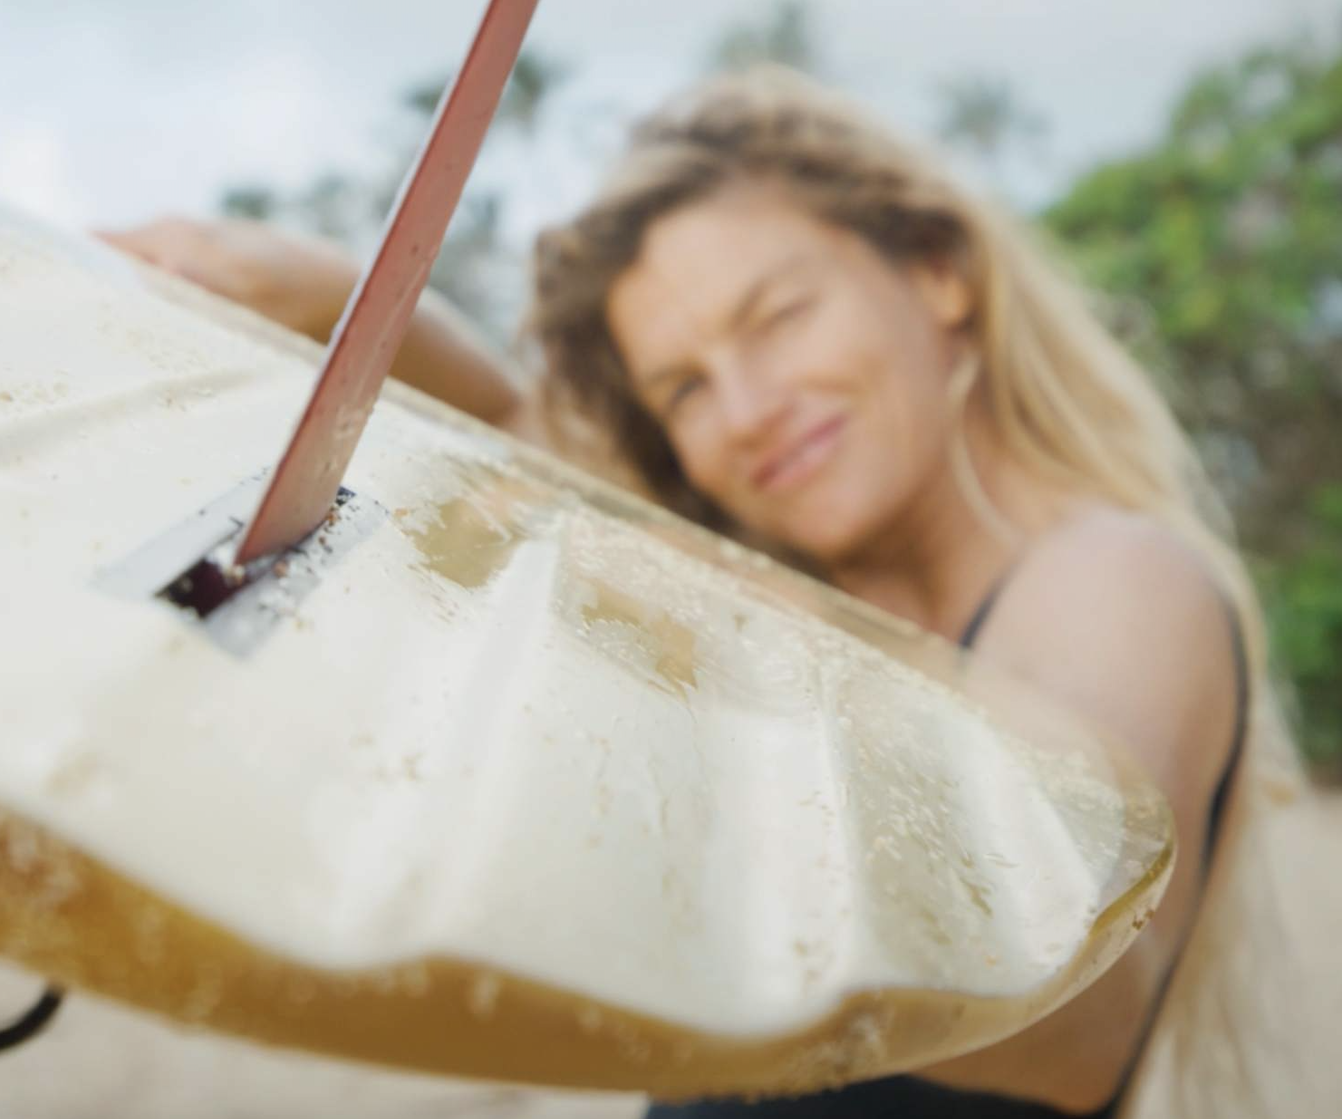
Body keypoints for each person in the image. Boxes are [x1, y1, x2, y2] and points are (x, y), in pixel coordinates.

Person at [102, 68, 1297, 1117]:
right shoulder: (809, 598)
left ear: (938, 272)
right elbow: (517, 421)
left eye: (778, 316)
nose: (748, 409)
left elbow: (1078, 1021)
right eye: (682, 389)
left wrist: (733, 654)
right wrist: (334, 294)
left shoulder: (1111, 576)